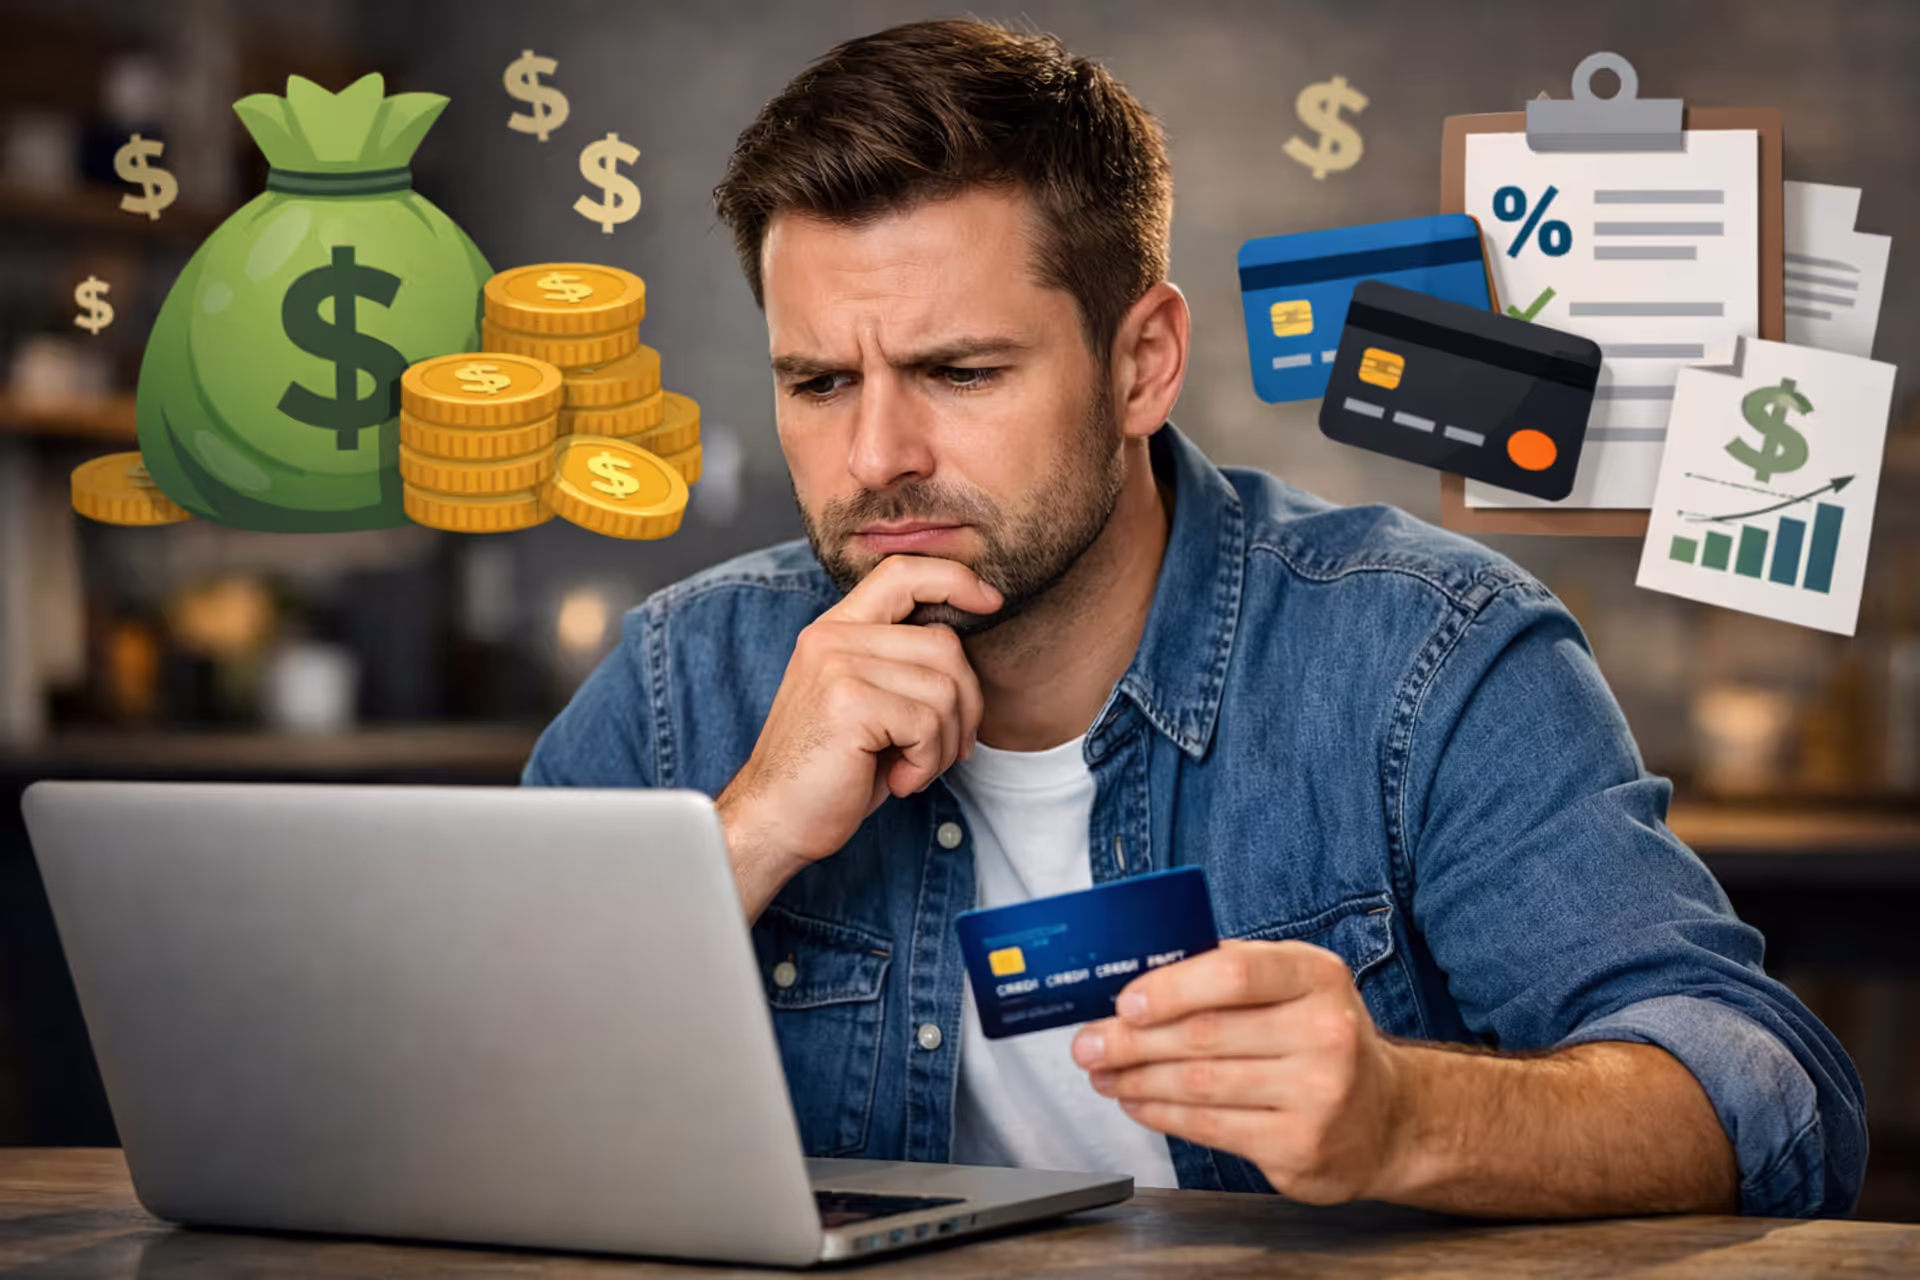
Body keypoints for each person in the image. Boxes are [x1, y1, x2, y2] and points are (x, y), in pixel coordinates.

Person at [522, 17, 1864, 1218]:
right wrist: (744, 836)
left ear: (1143, 363)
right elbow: (431, 1077)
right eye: (818, 382)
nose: (877, 454)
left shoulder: (1425, 652)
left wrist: (1403, 1117)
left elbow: (1769, 1100)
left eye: (961, 371)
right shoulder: (681, 683)